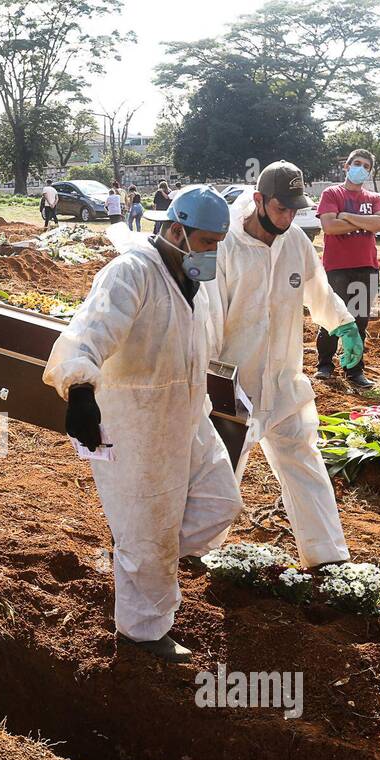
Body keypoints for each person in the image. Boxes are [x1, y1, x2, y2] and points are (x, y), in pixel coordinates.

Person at [44, 186, 241, 663]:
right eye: (207, 242)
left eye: (219, 242)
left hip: (185, 418)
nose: (212, 252)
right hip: (137, 426)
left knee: (220, 502)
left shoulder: (192, 282)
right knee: (148, 530)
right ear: (177, 230)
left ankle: (138, 550)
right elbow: (89, 332)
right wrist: (82, 391)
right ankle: (142, 634)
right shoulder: (132, 272)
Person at [214, 160, 363, 569]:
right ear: (259, 200)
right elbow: (207, 318)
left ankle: (327, 558)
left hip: (283, 378)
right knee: (218, 472)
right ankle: (194, 553)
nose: (289, 217)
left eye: (296, 208)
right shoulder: (226, 246)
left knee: (303, 460)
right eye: (282, 208)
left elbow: (318, 290)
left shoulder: (295, 239)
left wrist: (344, 324)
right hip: (232, 385)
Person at [315, 149, 380, 388]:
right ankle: (325, 365)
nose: (361, 168)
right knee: (331, 316)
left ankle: (354, 370)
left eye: (366, 166)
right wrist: (362, 221)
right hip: (337, 267)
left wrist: (346, 216)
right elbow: (329, 227)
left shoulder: (374, 198)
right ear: (346, 166)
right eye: (357, 163)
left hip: (366, 269)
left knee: (359, 322)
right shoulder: (332, 193)